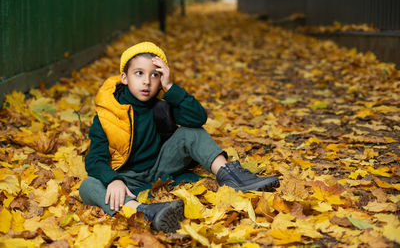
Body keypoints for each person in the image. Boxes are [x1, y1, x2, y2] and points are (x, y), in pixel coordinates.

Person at [79, 42, 280, 232]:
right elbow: (95, 160)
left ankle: (230, 176)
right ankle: (143, 211)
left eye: (155, 75)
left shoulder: (161, 106)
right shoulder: (107, 116)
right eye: (139, 73)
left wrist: (170, 87)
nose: (146, 81)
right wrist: (113, 180)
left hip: (160, 167)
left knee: (191, 131)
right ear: (124, 77)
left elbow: (198, 117)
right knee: (88, 185)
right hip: (126, 180)